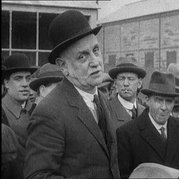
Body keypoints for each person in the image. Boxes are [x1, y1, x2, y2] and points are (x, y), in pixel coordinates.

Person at [24, 10, 120, 179]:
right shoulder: (49, 112)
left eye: (95, 50)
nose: (95, 62)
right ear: (63, 67)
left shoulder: (102, 100)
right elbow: (37, 175)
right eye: (82, 57)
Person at [116, 71, 179, 178]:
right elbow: (124, 175)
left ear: (174, 103)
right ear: (147, 100)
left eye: (169, 101)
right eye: (159, 100)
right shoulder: (127, 133)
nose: (164, 107)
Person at [2, 53, 37, 169]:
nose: (25, 84)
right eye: (18, 78)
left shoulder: (38, 110)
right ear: (6, 83)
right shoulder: (2, 112)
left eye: (28, 78)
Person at [108, 60, 146, 129]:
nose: (126, 83)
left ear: (139, 83)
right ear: (115, 83)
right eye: (121, 79)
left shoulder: (145, 113)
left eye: (130, 79)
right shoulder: (107, 111)